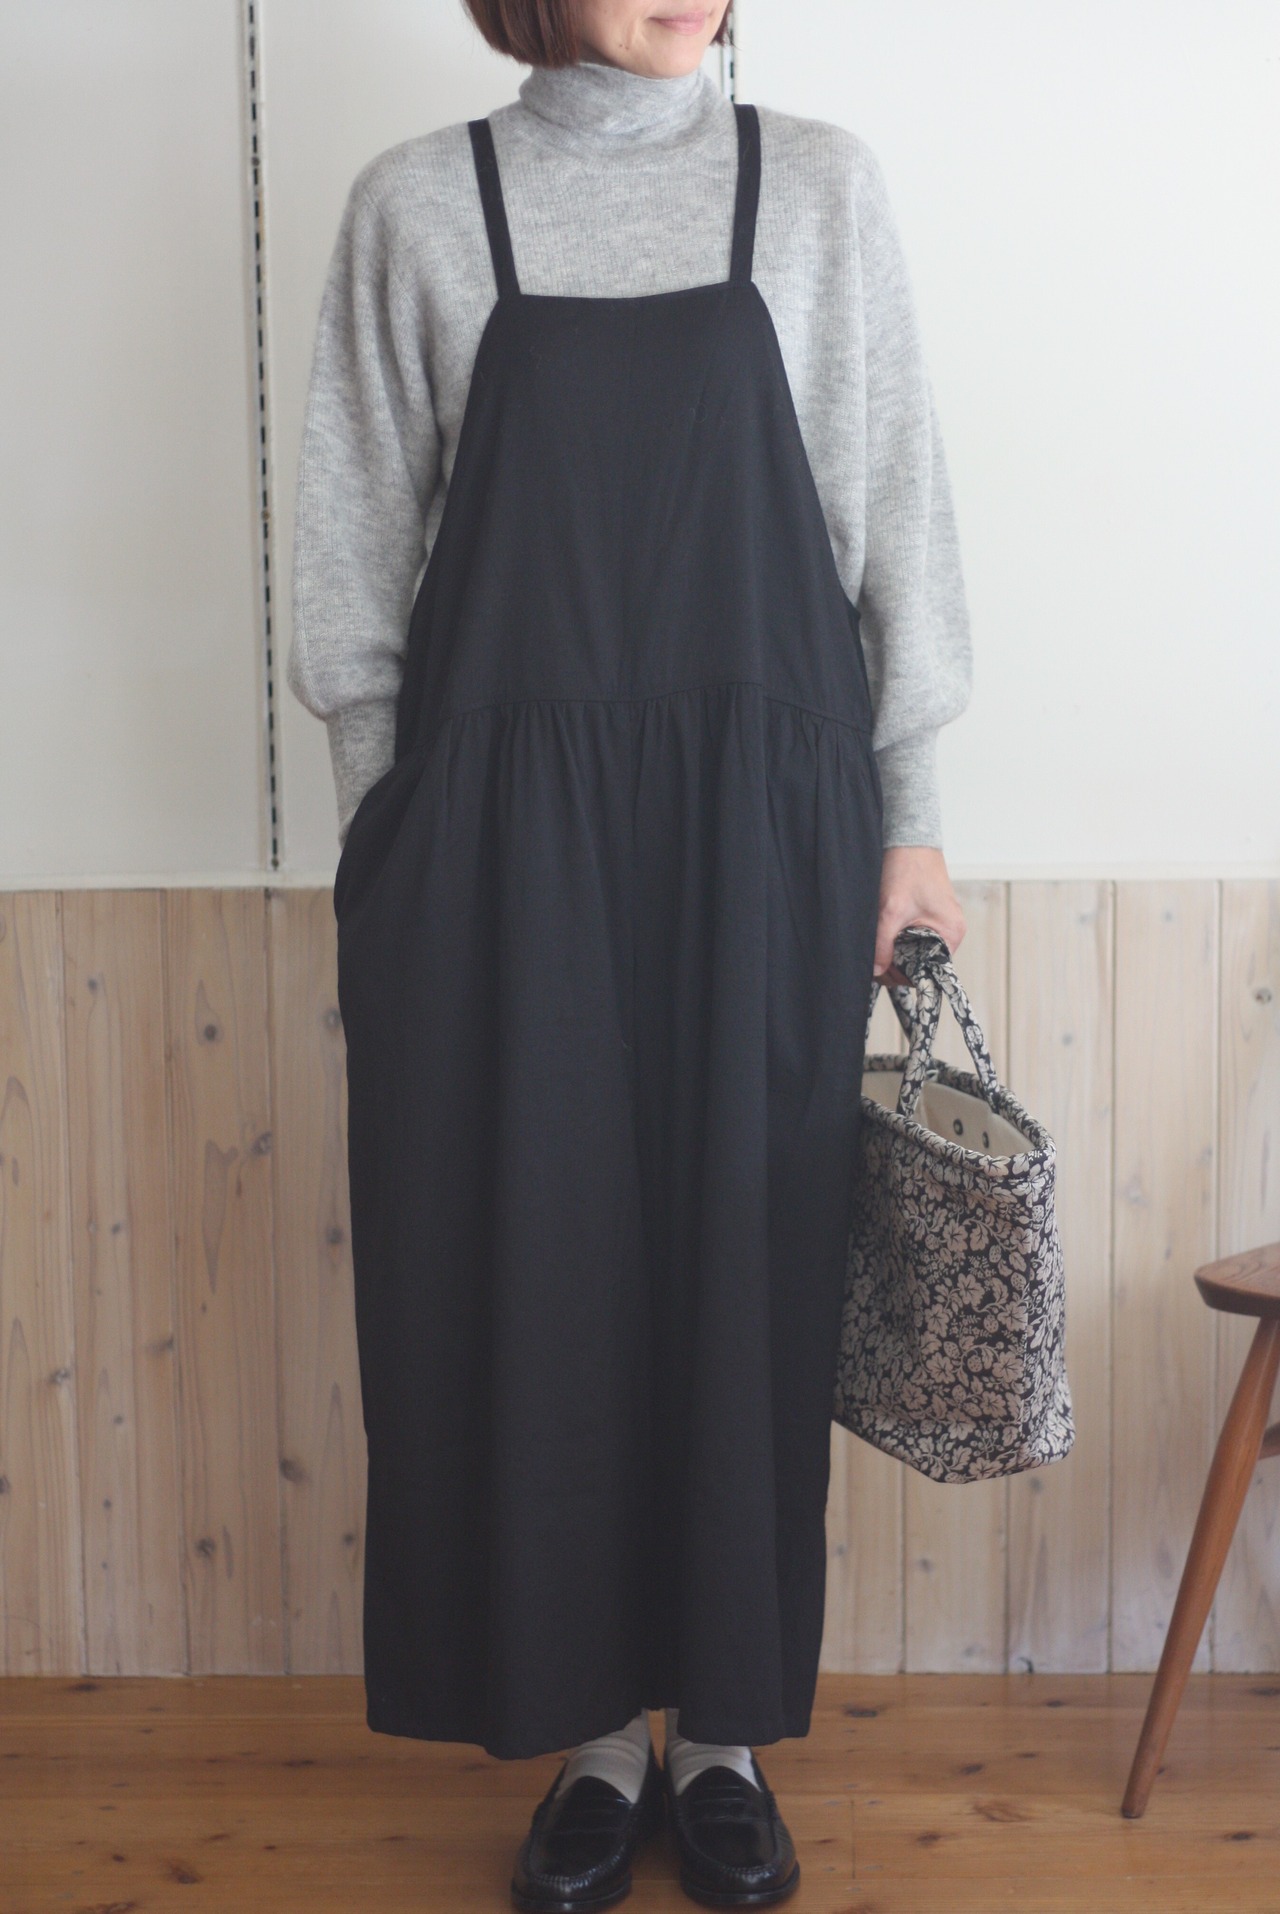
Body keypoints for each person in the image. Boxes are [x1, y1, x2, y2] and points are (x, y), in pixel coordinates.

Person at [287, 1, 971, 1906]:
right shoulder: (418, 209)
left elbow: (896, 520)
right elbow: (351, 573)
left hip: (767, 831)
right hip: (496, 852)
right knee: (534, 1280)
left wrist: (913, 818)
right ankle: (592, 1739)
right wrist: (393, 835)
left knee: (749, 1277)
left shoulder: (817, 189)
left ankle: (728, 1741)